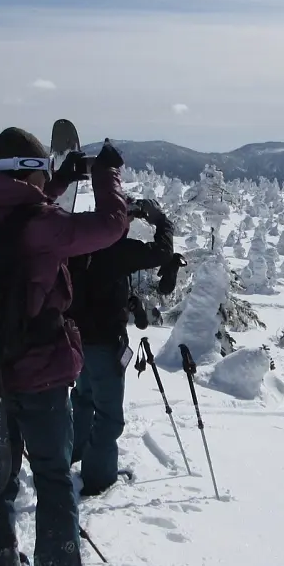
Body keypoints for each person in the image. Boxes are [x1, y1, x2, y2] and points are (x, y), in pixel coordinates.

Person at [0, 127, 129, 566]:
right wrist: (108, 174)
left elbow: (24, 215)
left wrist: (57, 182)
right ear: (29, 173)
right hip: (39, 372)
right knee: (53, 475)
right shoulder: (39, 223)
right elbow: (109, 226)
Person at [66, 195, 174, 497]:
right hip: (103, 343)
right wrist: (163, 222)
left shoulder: (81, 242)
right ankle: (98, 478)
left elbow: (95, 283)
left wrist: (126, 300)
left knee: (84, 399)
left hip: (76, 340)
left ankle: (73, 455)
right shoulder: (116, 249)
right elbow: (162, 253)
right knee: (108, 414)